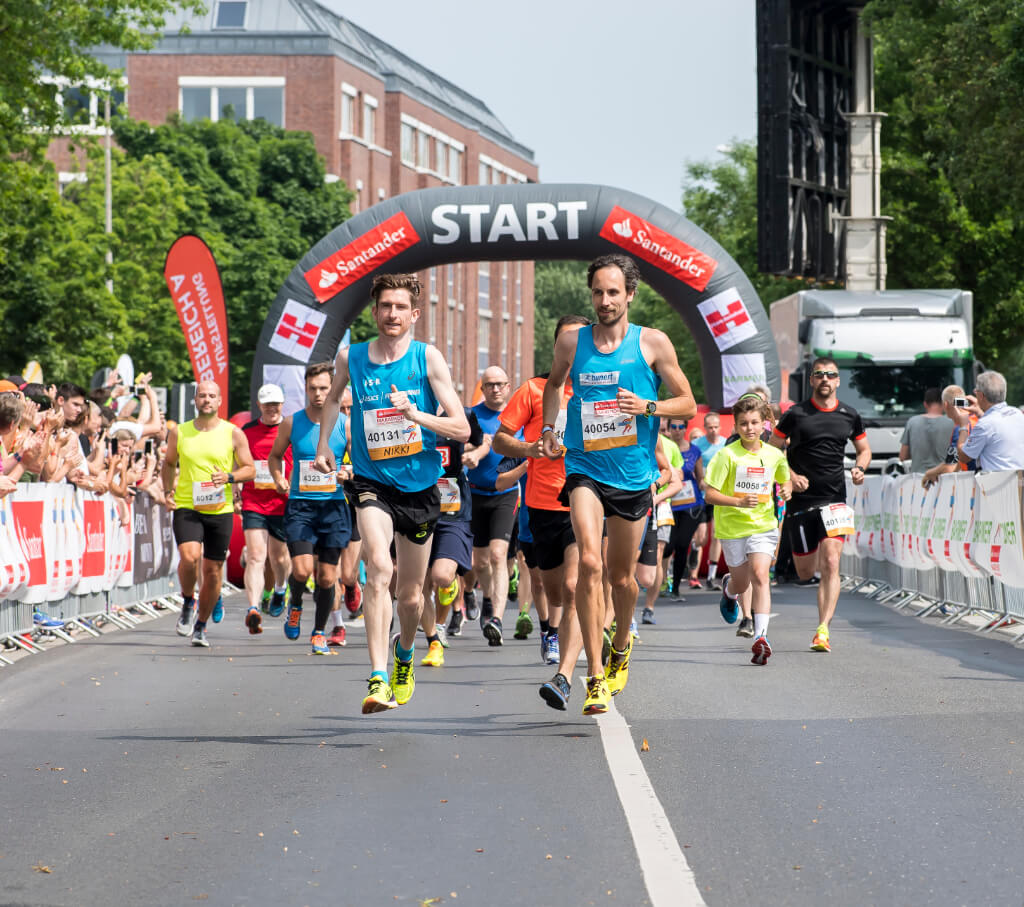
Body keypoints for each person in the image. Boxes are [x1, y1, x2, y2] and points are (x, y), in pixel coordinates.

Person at [541, 254, 696, 715]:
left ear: (629, 295)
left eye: (613, 293)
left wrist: (648, 408)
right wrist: (550, 429)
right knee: (589, 561)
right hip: (584, 466)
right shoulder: (572, 342)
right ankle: (594, 677)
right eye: (597, 293)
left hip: (631, 476)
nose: (604, 301)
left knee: (622, 578)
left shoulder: (652, 343)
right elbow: (554, 385)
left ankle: (622, 641)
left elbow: (687, 403)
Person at [314, 273, 469, 713]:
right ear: (375, 311)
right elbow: (332, 399)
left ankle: (404, 656)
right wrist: (327, 443)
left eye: (401, 307)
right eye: (385, 307)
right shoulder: (352, 357)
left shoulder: (428, 359)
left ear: (414, 314)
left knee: (411, 596)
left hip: (419, 487)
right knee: (379, 567)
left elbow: (460, 426)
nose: (392, 314)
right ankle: (378, 676)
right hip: (370, 482)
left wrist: (417, 414)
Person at [494, 314, 591, 709]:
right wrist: (529, 449)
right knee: (553, 592)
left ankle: (565, 674)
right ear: (557, 349)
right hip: (541, 504)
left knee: (573, 587)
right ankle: (554, 631)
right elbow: (500, 440)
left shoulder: (599, 389)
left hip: (585, 498)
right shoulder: (534, 390)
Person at [771, 356, 870, 652]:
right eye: (820, 375)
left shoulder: (849, 415)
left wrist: (860, 468)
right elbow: (772, 449)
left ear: (838, 381)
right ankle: (820, 621)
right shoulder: (795, 414)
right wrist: (790, 475)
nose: (825, 379)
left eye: (831, 375)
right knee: (804, 572)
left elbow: (863, 449)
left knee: (831, 561)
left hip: (835, 499)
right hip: (802, 502)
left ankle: (823, 629)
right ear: (812, 380)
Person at [162, 381, 256, 647]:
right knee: (189, 558)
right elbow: (169, 463)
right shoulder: (180, 432)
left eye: (211, 396)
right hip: (187, 505)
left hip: (220, 508)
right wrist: (168, 490)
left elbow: (249, 469)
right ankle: (188, 599)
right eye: (202, 395)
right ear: (195, 400)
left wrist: (229, 476)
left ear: (219, 401)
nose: (206, 400)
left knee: (213, 571)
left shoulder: (233, 433)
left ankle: (201, 625)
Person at [269, 362, 353, 655]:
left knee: (328, 578)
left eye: (324, 389)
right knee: (303, 570)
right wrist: (279, 477)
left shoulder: (346, 424)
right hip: (301, 506)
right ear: (305, 389)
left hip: (333, 508)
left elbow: (357, 465)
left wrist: (347, 473)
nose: (318, 394)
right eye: (313, 388)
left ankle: (319, 631)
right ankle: (294, 604)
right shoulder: (292, 423)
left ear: (334, 390)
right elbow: (275, 456)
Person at [704, 395, 791, 664]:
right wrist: (738, 501)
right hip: (733, 529)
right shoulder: (726, 455)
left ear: (764, 424)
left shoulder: (774, 455)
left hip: (764, 526)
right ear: (737, 426)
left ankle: (760, 637)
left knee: (760, 575)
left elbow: (784, 480)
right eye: (744, 423)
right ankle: (730, 590)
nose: (750, 428)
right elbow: (709, 494)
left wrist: (787, 489)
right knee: (742, 582)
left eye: (754, 422)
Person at [420, 403, 484, 667]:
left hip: (452, 508)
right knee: (416, 587)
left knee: (442, 576)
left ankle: (445, 608)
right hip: (416, 507)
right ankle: (434, 638)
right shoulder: (407, 409)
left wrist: (476, 454)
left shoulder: (462, 413)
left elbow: (481, 441)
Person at [465, 366, 515, 644]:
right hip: (474, 493)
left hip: (506, 494)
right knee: (479, 562)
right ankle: (485, 595)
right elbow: (459, 448)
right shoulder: (471, 415)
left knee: (498, 555)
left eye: (500, 384)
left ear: (508, 387)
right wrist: (475, 449)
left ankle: (496, 617)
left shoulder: (516, 416)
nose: (495, 389)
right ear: (482, 389)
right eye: (490, 385)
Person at [237, 383, 292, 634]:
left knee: (279, 558)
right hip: (254, 501)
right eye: (267, 404)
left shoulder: (290, 428)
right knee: (256, 556)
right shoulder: (247, 431)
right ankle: (253, 608)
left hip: (283, 501)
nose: (272, 408)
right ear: (259, 405)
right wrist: (236, 488)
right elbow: (237, 461)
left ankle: (280, 588)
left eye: (276, 404)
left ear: (282, 405)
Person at [663, 417, 708, 595]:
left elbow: (700, 477)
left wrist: (706, 485)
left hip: (690, 505)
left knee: (682, 545)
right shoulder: (663, 448)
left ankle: (675, 588)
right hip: (669, 503)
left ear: (685, 429)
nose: (677, 430)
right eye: (673, 426)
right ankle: (662, 580)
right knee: (667, 546)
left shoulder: (694, 451)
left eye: (681, 426)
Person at [954, 370, 1024, 471]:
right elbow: (996, 426)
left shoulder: (984, 424)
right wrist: (980, 413)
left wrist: (963, 426)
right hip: (1019, 481)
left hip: (997, 484)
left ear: (981, 396)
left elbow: (964, 457)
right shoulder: (1017, 413)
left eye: (976, 391)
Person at [693, 411, 727, 588]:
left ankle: (711, 578)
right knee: (701, 538)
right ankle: (692, 554)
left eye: (716, 427)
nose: (713, 430)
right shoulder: (697, 444)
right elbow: (688, 465)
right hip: (700, 496)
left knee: (717, 535)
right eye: (710, 427)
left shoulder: (725, 444)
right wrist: (699, 478)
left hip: (717, 495)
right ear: (705, 428)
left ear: (720, 427)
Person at [921, 385, 975, 486]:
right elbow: (959, 461)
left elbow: (950, 466)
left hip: (972, 485)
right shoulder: (977, 419)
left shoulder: (960, 429)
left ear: (945, 404)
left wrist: (929, 473)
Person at [899, 388, 954, 474]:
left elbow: (902, 456)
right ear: (944, 404)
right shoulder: (952, 423)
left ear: (925, 404)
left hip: (919, 480)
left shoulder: (912, 422)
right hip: (944, 478)